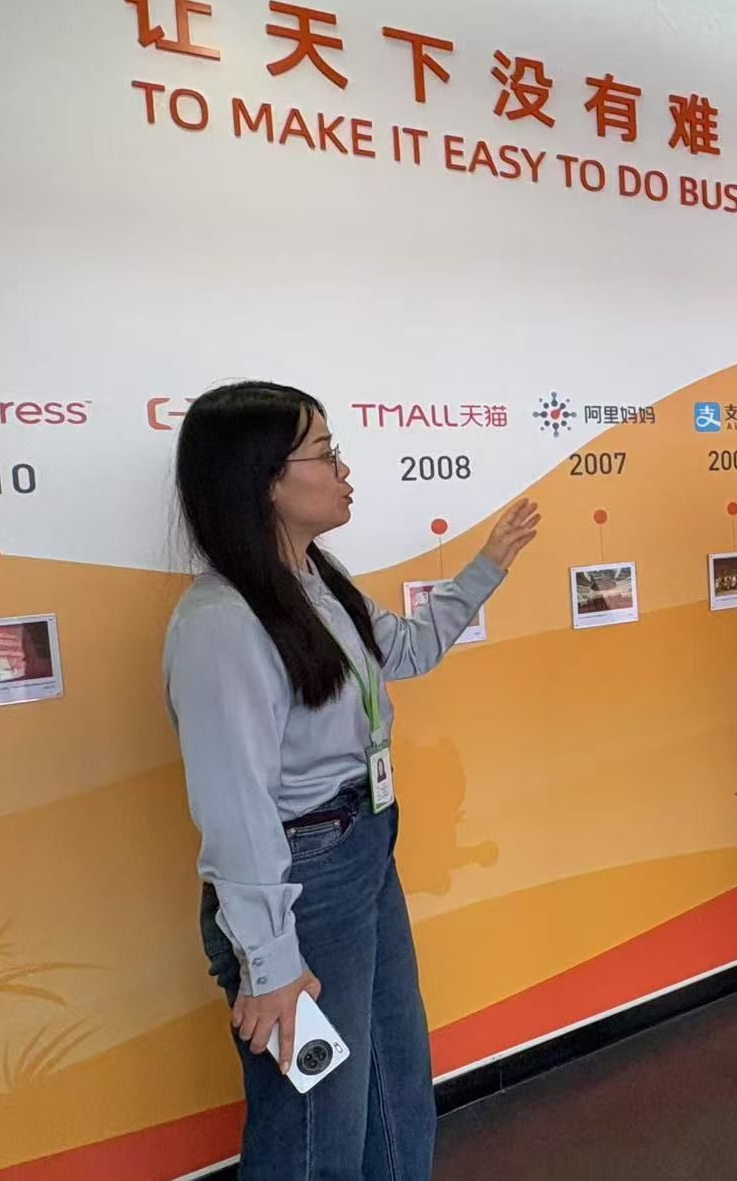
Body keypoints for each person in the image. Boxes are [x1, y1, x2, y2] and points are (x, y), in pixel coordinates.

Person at [164, 381, 540, 1179]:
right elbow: (237, 811)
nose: (343, 471)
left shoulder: (314, 579)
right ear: (266, 480)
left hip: (362, 848)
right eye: (325, 454)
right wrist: (271, 963)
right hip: (301, 881)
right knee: (315, 1130)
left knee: (395, 1091)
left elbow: (407, 649)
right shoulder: (221, 624)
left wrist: (489, 565)